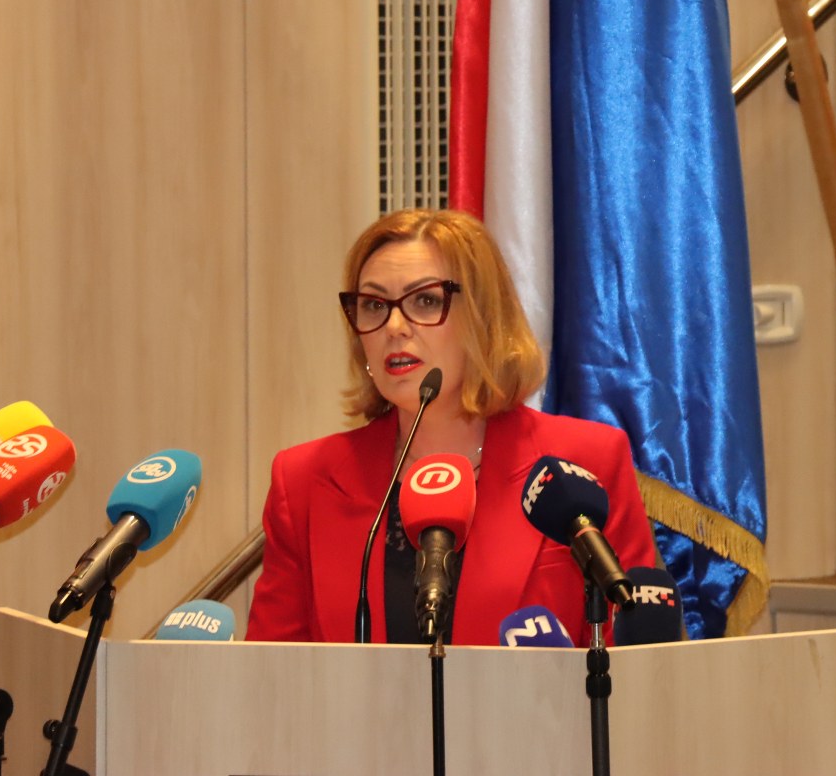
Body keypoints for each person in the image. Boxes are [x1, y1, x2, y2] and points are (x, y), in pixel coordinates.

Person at [246, 208, 658, 645]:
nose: (394, 327)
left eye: (425, 300)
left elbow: (640, 658)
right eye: (374, 305)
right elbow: (270, 674)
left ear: (484, 317)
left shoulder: (585, 463)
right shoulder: (305, 482)